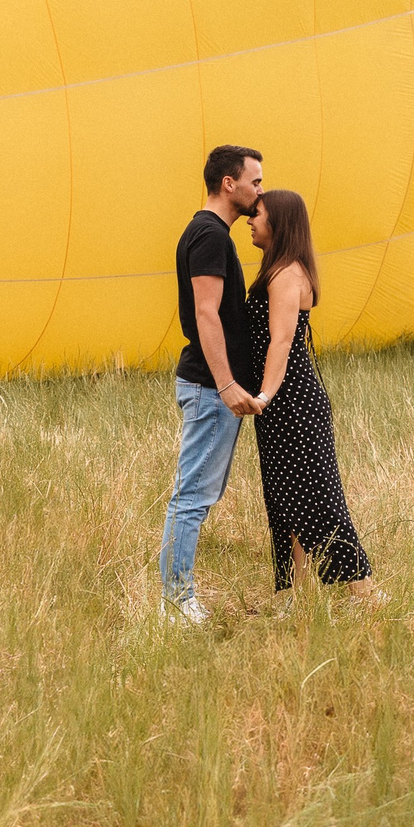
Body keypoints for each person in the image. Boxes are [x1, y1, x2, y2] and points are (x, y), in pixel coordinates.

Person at [245, 188, 376, 599]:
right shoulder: (283, 269)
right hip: (282, 403)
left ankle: (367, 594)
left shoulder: (286, 274)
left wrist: (264, 397)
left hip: (291, 400)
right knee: (286, 499)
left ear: (278, 222)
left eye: (257, 213)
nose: (250, 220)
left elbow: (281, 343)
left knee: (316, 497)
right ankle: (293, 594)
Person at [158, 144, 264, 622]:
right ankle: (177, 604)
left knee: (197, 494)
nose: (259, 190)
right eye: (255, 181)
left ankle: (178, 598)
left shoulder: (212, 233)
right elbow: (205, 313)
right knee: (192, 496)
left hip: (211, 387)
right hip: (208, 387)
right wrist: (225, 384)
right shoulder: (209, 235)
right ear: (229, 182)